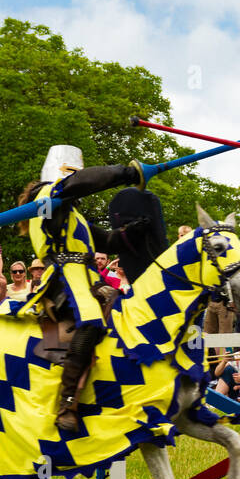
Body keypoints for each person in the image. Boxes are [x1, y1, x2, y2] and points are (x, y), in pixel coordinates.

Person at [16, 145, 144, 431]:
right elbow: (77, 183)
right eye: (73, 176)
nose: (77, 182)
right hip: (64, 276)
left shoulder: (73, 215)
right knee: (91, 322)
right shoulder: (46, 196)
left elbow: (108, 242)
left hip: (88, 278)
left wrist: (132, 231)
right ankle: (68, 402)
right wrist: (126, 173)